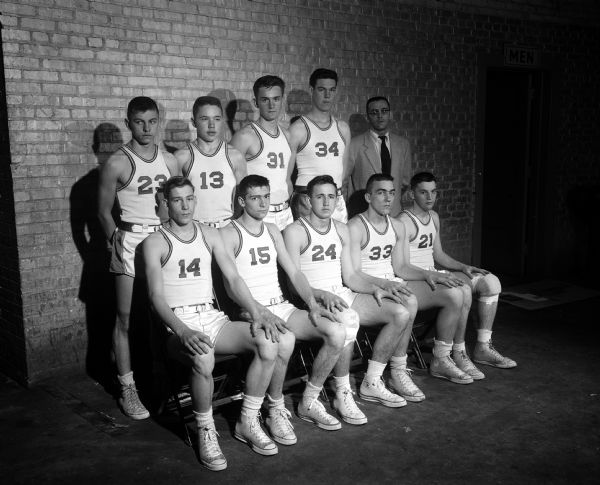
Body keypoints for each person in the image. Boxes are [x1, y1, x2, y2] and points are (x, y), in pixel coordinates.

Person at [143, 176, 290, 471]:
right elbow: (155, 296)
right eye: (177, 200)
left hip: (211, 316)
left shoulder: (210, 234)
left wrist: (256, 312)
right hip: (177, 323)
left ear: (196, 200)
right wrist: (182, 330)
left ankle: (247, 420)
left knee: (269, 341)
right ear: (165, 203)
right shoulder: (154, 242)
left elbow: (234, 278)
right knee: (203, 356)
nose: (185, 206)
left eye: (189, 198)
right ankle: (206, 430)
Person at [221, 174, 349, 442]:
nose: (263, 203)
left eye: (267, 196)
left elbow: (294, 272)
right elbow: (231, 285)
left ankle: (309, 402)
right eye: (255, 198)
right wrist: (258, 311)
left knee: (337, 332)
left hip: (280, 305)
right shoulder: (228, 233)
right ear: (242, 201)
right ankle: (275, 408)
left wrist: (312, 304)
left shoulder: (272, 229)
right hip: (250, 310)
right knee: (285, 339)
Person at [284, 175, 414, 426]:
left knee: (400, 312)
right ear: (308, 200)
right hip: (313, 298)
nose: (325, 202)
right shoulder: (294, 231)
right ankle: (342, 392)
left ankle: (371, 381)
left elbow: (352, 276)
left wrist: (380, 286)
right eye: (319, 196)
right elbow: (293, 282)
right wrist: (320, 295)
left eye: (331, 197)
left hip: (343, 294)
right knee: (348, 319)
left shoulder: (342, 229)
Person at [348, 174, 474, 389]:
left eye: (391, 192)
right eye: (381, 193)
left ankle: (441, 359)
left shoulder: (397, 226)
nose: (388, 198)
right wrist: (385, 284)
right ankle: (398, 371)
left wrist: (430, 275)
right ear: (368, 197)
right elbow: (354, 274)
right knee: (410, 302)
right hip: (368, 286)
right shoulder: (355, 226)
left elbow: (401, 268)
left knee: (454, 293)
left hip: (395, 281)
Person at [98, 96, 178, 419]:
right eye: (139, 122)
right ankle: (127, 389)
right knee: (126, 318)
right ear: (128, 122)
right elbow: (103, 212)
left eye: (152, 121)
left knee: (165, 315)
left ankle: (166, 381)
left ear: (158, 121)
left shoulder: (170, 161)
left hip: (161, 241)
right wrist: (116, 240)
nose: (146, 129)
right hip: (130, 240)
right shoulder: (117, 162)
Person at [400, 172, 517, 378]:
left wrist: (464, 267)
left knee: (490, 283)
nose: (430, 197)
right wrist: (433, 275)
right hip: (417, 278)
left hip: (434, 274)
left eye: (433, 192)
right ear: (411, 194)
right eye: (423, 192)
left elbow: (438, 254)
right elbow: (403, 265)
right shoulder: (404, 221)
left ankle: (482, 347)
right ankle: (458, 352)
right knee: (461, 290)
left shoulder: (433, 217)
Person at [231, 76, 294, 231]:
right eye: (265, 100)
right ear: (256, 102)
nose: (272, 105)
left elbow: (287, 180)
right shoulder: (245, 136)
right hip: (258, 214)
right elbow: (232, 183)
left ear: (282, 100)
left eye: (276, 99)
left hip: (286, 213)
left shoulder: (288, 135)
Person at [289, 68, 351, 223]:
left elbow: (344, 168)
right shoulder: (298, 128)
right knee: (308, 245)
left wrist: (332, 193)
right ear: (312, 90)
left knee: (339, 245)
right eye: (322, 90)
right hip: (307, 199)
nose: (327, 95)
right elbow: (286, 175)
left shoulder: (343, 128)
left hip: (335, 198)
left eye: (332, 90)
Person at [174, 96, 247, 228]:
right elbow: (176, 199)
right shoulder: (182, 157)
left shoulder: (235, 156)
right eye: (204, 119)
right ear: (194, 122)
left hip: (227, 226)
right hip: (195, 228)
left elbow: (243, 197)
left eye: (217, 119)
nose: (212, 125)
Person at [346, 96, 411, 218]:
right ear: (367, 117)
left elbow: (404, 182)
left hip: (394, 213)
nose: (380, 116)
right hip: (364, 212)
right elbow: (346, 182)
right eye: (374, 112)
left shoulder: (403, 144)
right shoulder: (354, 145)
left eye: (384, 111)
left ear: (390, 114)